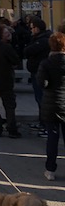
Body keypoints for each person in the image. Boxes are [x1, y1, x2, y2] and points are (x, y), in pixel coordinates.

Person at [37, 32, 65, 181]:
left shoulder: (46, 63)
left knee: (52, 139)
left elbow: (42, 83)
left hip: (50, 104)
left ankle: (50, 170)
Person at [25, 18, 52, 137]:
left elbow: (27, 51)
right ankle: (42, 123)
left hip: (40, 72)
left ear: (37, 28)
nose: (31, 30)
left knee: (42, 99)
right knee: (39, 99)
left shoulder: (43, 40)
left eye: (32, 28)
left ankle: (46, 126)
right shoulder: (38, 38)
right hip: (36, 71)